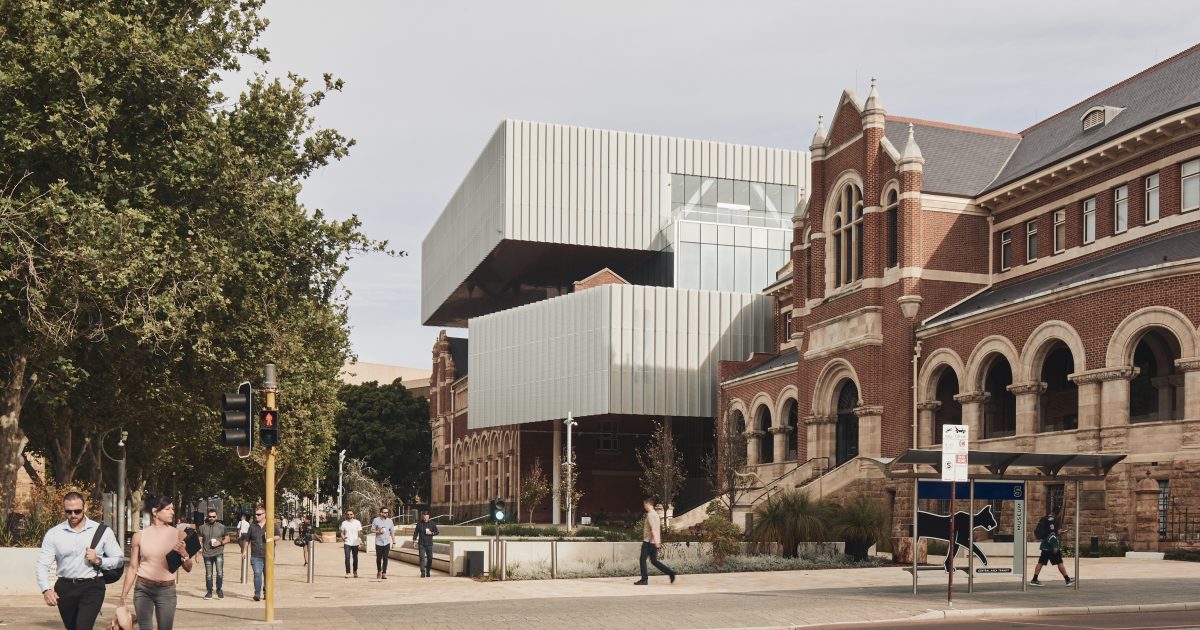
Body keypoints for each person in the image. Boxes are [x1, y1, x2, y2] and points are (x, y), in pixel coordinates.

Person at [36, 491, 124, 630]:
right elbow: (42, 564)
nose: (73, 515)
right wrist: (46, 590)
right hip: (65, 587)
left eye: (77, 511)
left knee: (83, 627)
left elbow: (119, 560)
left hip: (92, 586)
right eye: (68, 512)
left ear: (85, 508)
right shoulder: (54, 534)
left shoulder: (102, 531)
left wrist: (99, 560)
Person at [120, 496, 193, 630]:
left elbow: (188, 568)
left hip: (167, 590)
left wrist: (184, 553)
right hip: (143, 589)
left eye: (173, 509)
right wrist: (123, 597)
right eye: (168, 509)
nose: (172, 512)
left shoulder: (179, 535)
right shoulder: (139, 536)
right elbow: (133, 567)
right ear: (155, 511)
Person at [634, 498, 676, 586]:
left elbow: (653, 528)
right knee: (654, 561)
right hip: (653, 542)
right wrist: (657, 541)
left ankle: (644, 579)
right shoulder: (656, 515)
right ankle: (671, 573)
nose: (644, 506)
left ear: (648, 504)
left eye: (644, 504)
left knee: (642, 560)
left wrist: (656, 542)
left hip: (648, 542)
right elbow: (657, 529)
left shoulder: (650, 515)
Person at [244, 506, 279, 601]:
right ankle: (257, 593)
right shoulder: (252, 526)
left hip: (268, 555)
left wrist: (271, 538)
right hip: (256, 555)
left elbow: (278, 536)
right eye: (255, 514)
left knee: (268, 575)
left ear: (264, 515)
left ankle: (266, 592)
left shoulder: (271, 525)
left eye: (259, 514)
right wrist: (244, 551)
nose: (256, 516)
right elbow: (247, 540)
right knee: (257, 574)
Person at [1031, 513, 1073, 587]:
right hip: (1052, 548)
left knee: (1040, 562)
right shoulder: (1053, 521)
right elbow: (1052, 536)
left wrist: (1058, 532)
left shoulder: (1046, 520)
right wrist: (1055, 547)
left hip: (1045, 547)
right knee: (1059, 563)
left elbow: (1050, 532)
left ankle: (1034, 579)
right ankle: (1067, 580)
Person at [197, 508, 230, 600]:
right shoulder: (202, 527)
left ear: (216, 517)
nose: (212, 518)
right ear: (207, 517)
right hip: (207, 554)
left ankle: (219, 589)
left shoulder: (222, 527)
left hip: (218, 553)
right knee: (208, 574)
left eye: (213, 516)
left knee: (220, 573)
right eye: (210, 516)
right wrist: (197, 554)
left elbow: (228, 539)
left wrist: (220, 543)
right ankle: (209, 592)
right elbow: (199, 541)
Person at [412, 511, 440, 578]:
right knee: (422, 558)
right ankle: (422, 572)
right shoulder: (419, 524)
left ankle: (428, 571)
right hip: (421, 544)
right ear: (422, 517)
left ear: (428, 517)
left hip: (429, 544)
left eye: (426, 517)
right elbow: (416, 533)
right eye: (424, 517)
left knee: (430, 558)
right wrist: (414, 541)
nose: (425, 518)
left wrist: (432, 533)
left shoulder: (432, 523)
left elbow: (437, 532)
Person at [371, 507, 396, 579]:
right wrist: (378, 531)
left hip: (387, 542)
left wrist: (394, 542)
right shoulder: (376, 520)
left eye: (387, 512)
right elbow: (372, 530)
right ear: (381, 513)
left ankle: (384, 573)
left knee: (385, 558)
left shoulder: (390, 521)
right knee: (379, 558)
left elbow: (392, 532)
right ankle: (379, 571)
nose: (386, 514)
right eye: (385, 512)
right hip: (378, 542)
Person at [339, 509, 363, 578]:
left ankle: (355, 571)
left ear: (353, 515)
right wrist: (343, 538)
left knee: (355, 558)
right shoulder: (344, 523)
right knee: (347, 557)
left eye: (351, 514)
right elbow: (342, 533)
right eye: (348, 514)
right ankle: (348, 572)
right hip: (347, 543)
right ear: (346, 515)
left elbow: (360, 533)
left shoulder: (357, 522)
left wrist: (362, 541)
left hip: (355, 543)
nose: (349, 515)